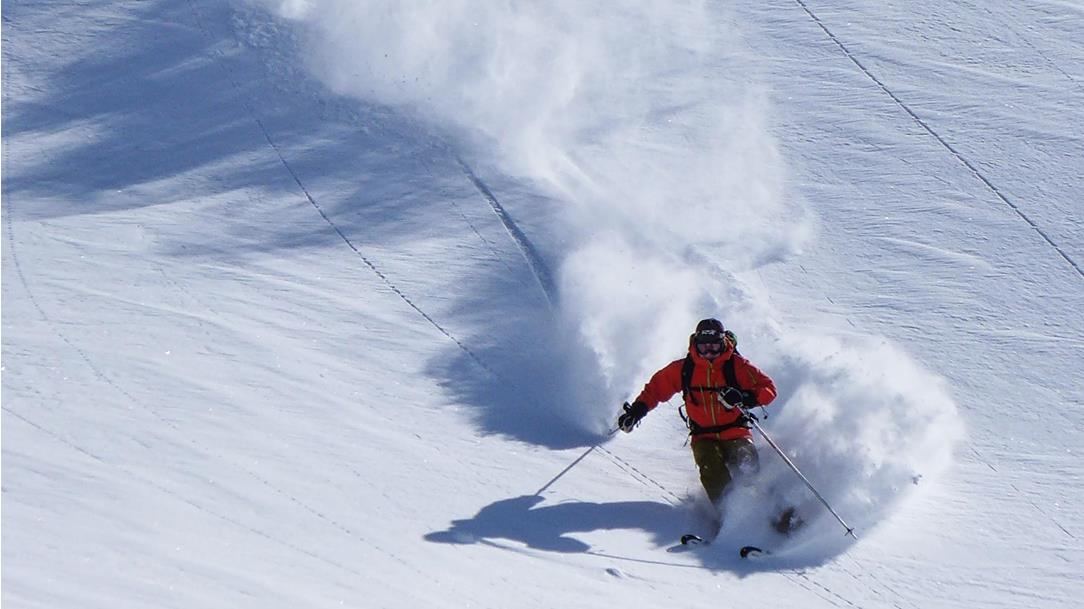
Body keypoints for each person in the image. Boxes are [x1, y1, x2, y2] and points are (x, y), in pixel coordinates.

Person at [617, 318, 796, 534]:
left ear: (722, 343)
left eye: (714, 346)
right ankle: (731, 519)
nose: (709, 351)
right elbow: (656, 389)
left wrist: (744, 397)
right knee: (710, 468)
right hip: (703, 436)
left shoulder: (736, 365)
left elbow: (768, 389)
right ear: (695, 343)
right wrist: (636, 412)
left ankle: (780, 516)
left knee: (747, 464)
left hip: (735, 430)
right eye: (704, 346)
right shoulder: (685, 369)